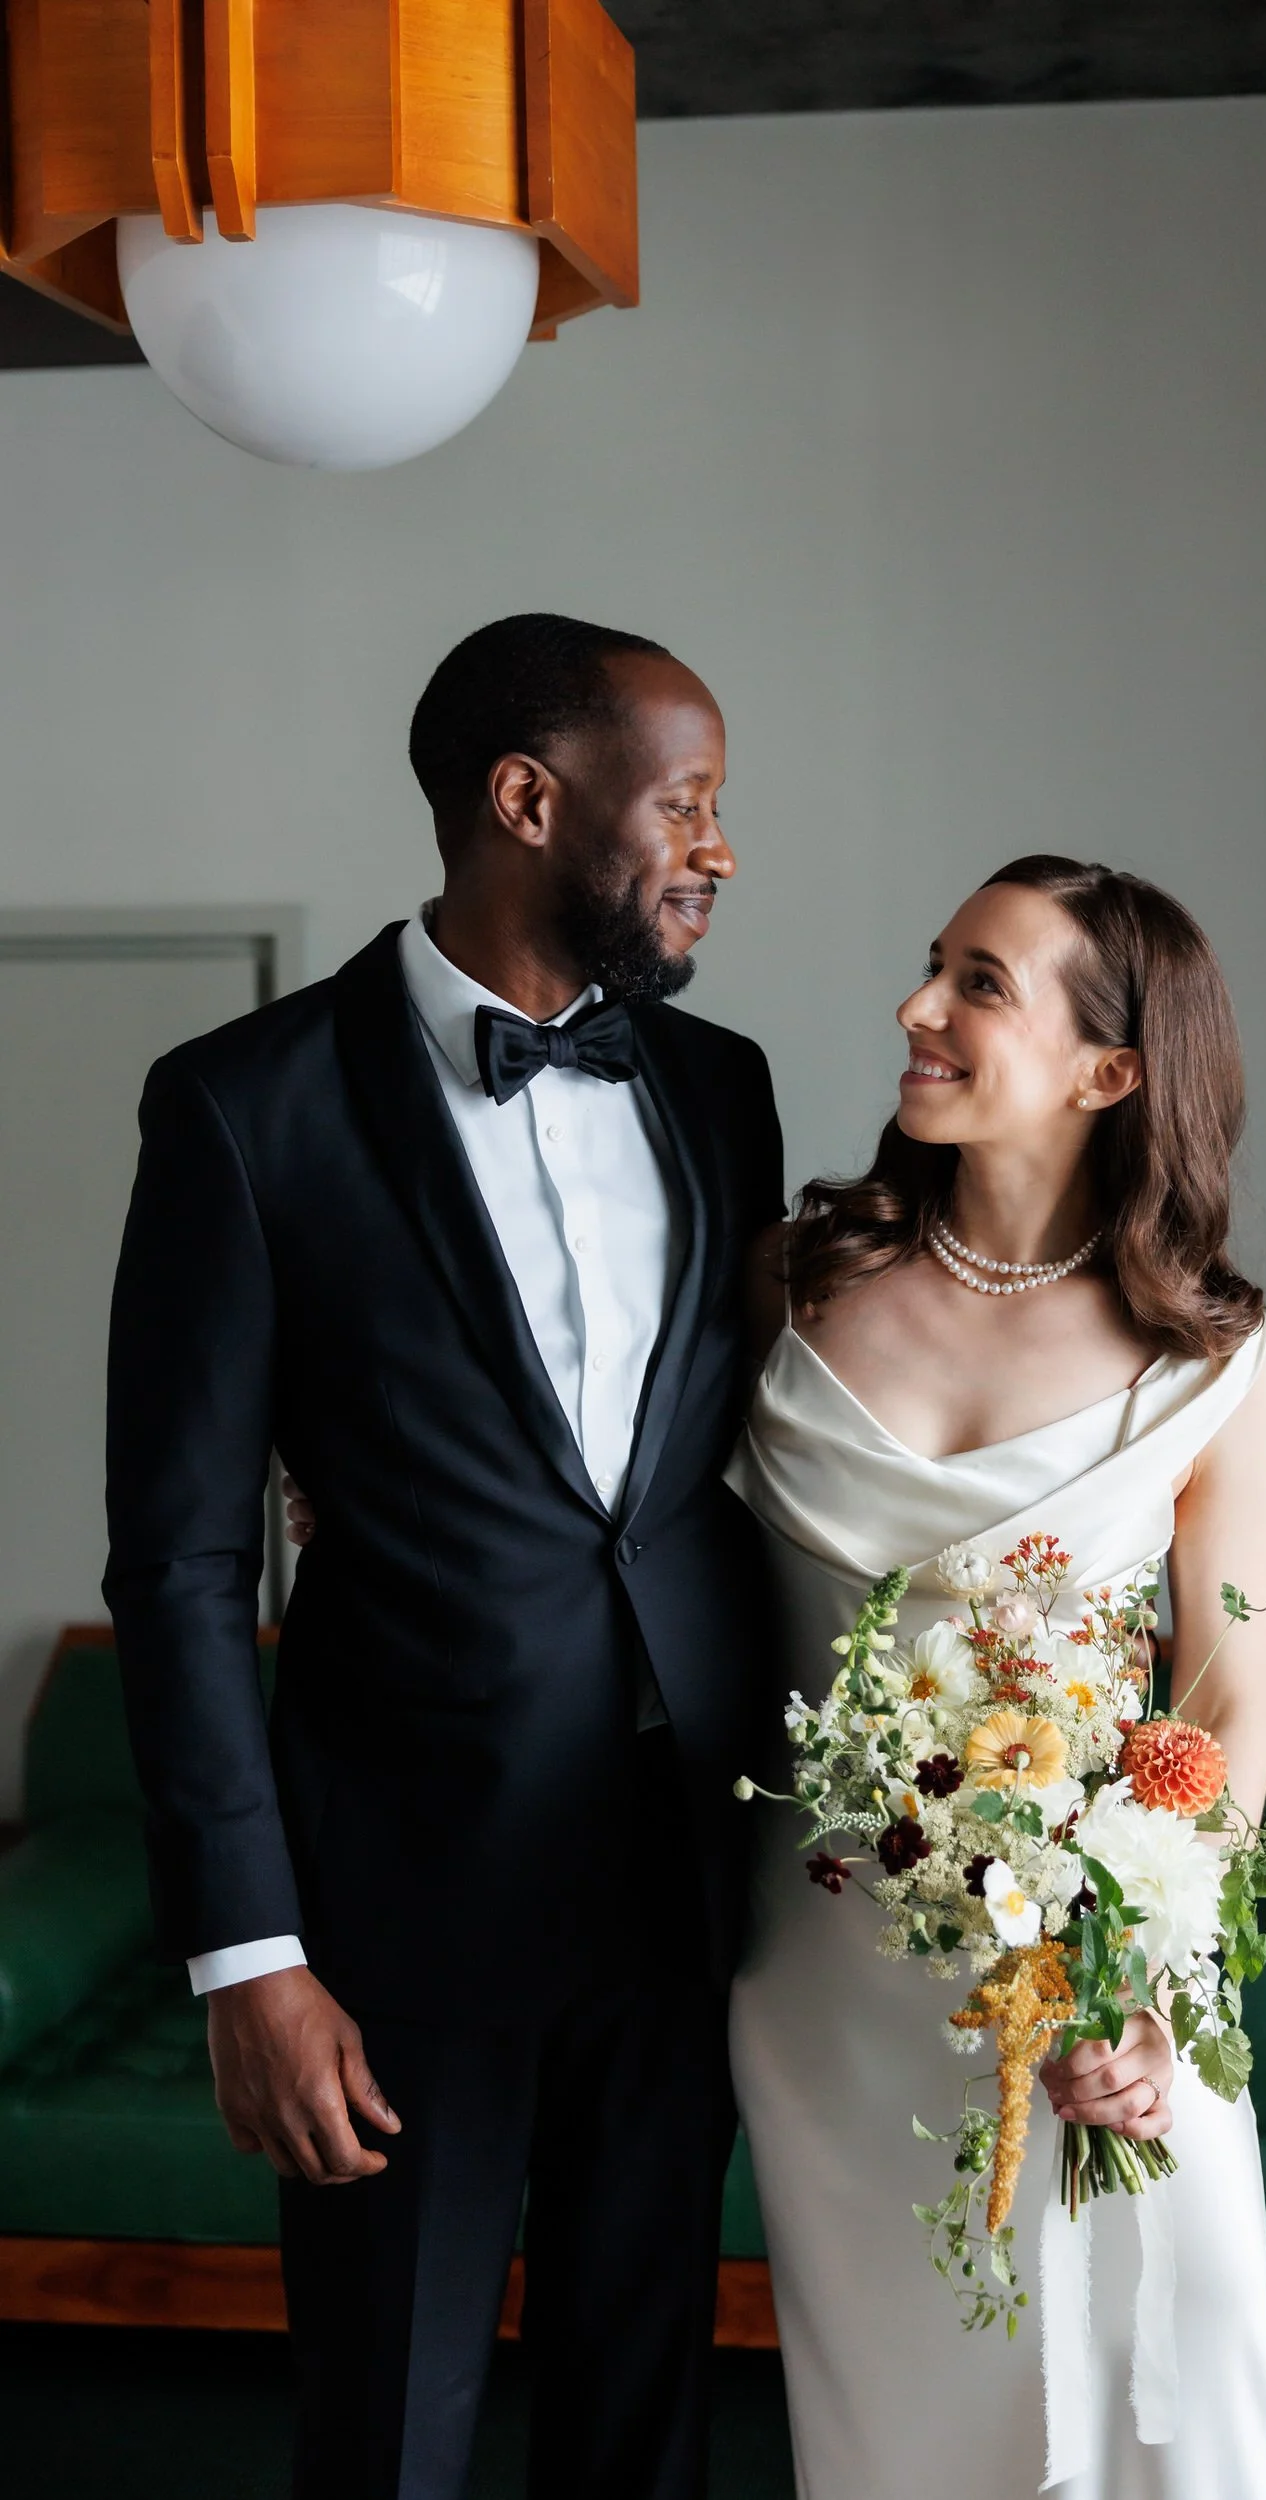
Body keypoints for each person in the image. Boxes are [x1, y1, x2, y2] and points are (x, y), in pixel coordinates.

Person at [103, 613, 783, 2500]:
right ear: (525, 800)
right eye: (691, 804)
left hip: (684, 1879)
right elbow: (174, 1561)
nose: (721, 847)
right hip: (394, 1906)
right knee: (390, 2432)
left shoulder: (722, 1088)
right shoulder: (241, 1108)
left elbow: (718, 1473)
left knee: (644, 2418)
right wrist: (251, 1957)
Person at [724, 857, 1266, 2497]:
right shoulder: (790, 1280)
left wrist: (1151, 1982)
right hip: (822, 1969)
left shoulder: (1212, 1359)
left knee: (1152, 2404)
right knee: (893, 2425)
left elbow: (1224, 1700)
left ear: (1107, 1070)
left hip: (1089, 1974)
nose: (916, 1008)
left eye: (977, 982)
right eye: (932, 968)